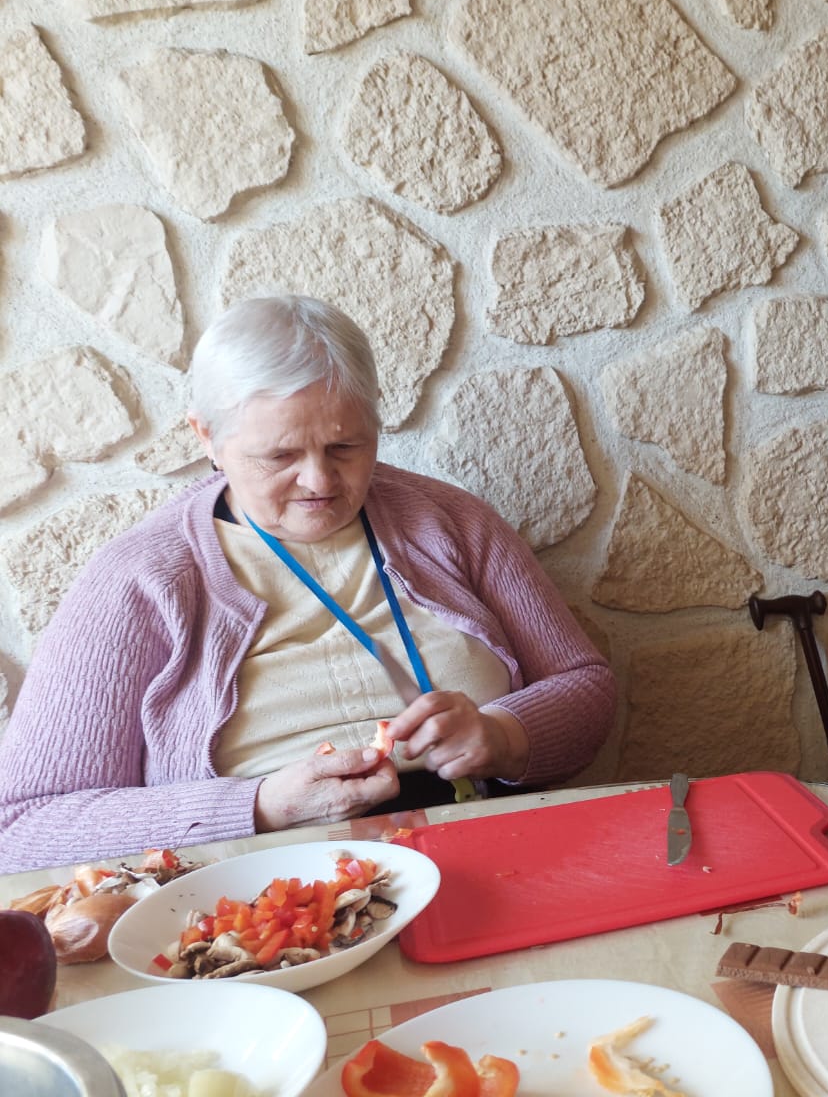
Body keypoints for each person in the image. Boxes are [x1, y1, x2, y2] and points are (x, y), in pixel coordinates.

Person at [0, 295, 616, 872]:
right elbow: (24, 826)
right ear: (206, 436)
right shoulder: (140, 578)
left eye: (346, 446)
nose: (319, 480)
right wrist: (258, 807)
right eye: (279, 456)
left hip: (488, 847)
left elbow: (585, 687)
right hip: (262, 887)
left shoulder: (451, 521)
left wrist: (504, 736)